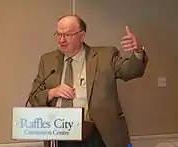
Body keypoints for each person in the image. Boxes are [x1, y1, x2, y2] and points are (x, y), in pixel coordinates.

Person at [28, 14, 148, 147]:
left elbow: (131, 71)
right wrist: (52, 92)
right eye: (58, 34)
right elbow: (34, 97)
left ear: (82, 36)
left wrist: (138, 51)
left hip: (98, 134)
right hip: (60, 136)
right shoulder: (47, 60)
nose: (61, 40)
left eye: (67, 35)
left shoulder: (105, 56)